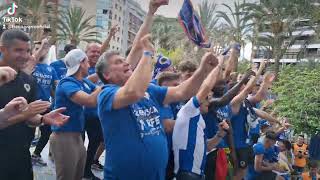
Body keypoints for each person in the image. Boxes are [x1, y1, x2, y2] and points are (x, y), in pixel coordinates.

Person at [0, 29, 69, 180]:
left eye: (28, 51)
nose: (25, 56)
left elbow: (29, 116)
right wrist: (25, 114)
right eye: (18, 50)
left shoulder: (28, 80)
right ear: (2, 49)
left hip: (21, 156)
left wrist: (43, 119)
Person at [172, 53, 230, 180]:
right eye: (206, 97)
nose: (209, 100)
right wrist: (219, 65)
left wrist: (220, 134)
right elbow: (206, 86)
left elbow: (207, 146)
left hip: (198, 174)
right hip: (186, 174)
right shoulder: (188, 110)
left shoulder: (197, 117)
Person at [50, 49, 102, 180]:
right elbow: (89, 100)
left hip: (77, 136)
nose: (90, 65)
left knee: (77, 176)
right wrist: (107, 86)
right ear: (82, 62)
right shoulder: (67, 83)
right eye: (87, 62)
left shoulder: (83, 81)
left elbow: (99, 92)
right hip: (64, 137)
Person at [30, 40, 59, 166]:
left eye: (43, 49)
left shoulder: (50, 69)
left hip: (46, 106)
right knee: (28, 134)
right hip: (30, 106)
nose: (41, 51)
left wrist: (56, 102)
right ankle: (23, 155)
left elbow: (53, 88)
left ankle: (36, 154)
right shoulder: (30, 66)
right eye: (37, 48)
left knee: (47, 133)